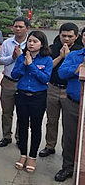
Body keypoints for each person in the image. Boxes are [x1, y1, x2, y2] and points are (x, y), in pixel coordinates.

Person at [11, 31, 52, 173]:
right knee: (22, 125)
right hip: (22, 95)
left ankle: (32, 156)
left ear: (42, 44)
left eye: (35, 41)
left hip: (38, 97)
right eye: (30, 41)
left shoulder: (46, 60)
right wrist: (24, 63)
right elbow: (14, 74)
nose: (31, 44)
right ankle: (23, 154)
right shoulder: (21, 57)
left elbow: (45, 78)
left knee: (35, 126)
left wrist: (31, 65)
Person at [39, 23, 82, 158]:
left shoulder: (79, 51)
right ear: (59, 35)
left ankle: (66, 150)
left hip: (69, 90)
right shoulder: (52, 48)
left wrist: (68, 57)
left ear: (76, 37)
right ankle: (49, 145)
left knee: (68, 123)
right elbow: (46, 68)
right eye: (64, 36)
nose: (66, 39)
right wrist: (61, 57)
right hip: (53, 87)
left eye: (70, 36)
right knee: (51, 119)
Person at [55, 27, 85, 182]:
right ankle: (68, 167)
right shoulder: (75, 55)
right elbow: (62, 73)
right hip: (73, 103)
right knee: (70, 136)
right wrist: (77, 69)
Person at [0, 17, 30, 148]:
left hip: (24, 82)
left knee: (22, 112)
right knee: (7, 111)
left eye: (21, 27)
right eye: (15, 26)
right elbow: (0, 61)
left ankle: (20, 137)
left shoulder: (31, 43)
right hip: (8, 81)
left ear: (27, 28)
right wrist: (12, 57)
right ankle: (6, 136)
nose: (17, 29)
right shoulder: (7, 43)